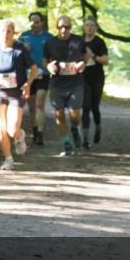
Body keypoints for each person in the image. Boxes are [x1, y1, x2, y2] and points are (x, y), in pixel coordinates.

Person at [0, 19, 39, 171]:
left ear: (13, 33)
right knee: (1, 128)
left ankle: (20, 135)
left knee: (12, 129)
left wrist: (28, 83)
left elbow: (34, 68)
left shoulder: (20, 49)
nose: (5, 34)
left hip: (16, 93)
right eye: (2, 31)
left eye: (9, 31)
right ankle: (8, 159)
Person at [44, 15, 90, 157]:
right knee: (59, 114)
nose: (64, 29)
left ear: (71, 27)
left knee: (74, 114)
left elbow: (87, 54)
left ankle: (75, 128)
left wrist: (83, 63)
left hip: (75, 82)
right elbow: (44, 61)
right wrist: (48, 67)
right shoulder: (50, 42)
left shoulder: (78, 40)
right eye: (61, 26)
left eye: (67, 27)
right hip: (57, 83)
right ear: (57, 27)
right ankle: (66, 143)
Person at [19, 11, 54, 146]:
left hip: (43, 74)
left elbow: (54, 54)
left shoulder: (49, 38)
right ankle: (34, 130)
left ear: (42, 23)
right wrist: (24, 50)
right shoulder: (24, 37)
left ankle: (40, 134)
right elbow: (16, 55)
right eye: (32, 22)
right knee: (32, 107)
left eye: (37, 22)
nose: (34, 24)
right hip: (28, 75)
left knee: (40, 104)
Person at [82, 17, 109, 148]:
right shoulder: (79, 41)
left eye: (92, 26)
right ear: (84, 27)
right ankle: (85, 138)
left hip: (97, 77)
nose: (89, 28)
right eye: (87, 25)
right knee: (85, 107)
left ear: (96, 28)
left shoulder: (99, 42)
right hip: (83, 77)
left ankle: (98, 127)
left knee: (94, 107)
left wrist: (92, 56)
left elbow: (106, 60)